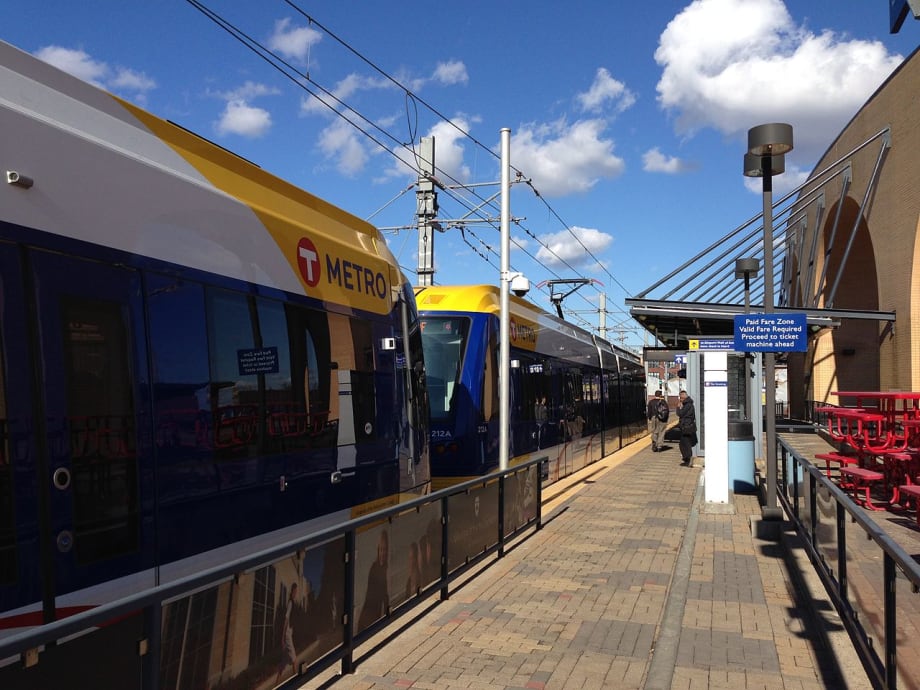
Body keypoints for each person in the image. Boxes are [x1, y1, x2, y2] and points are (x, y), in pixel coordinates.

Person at [275, 582, 298, 683]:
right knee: (294, 659)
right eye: (295, 591)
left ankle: (276, 683)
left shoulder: (292, 602)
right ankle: (297, 681)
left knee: (284, 661)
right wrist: (283, 637)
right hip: (287, 634)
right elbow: (286, 619)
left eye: (296, 591)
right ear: (292, 591)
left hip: (289, 633)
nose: (295, 593)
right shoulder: (290, 603)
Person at [676, 390, 697, 467]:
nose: (680, 400)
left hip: (686, 427)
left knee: (685, 444)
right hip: (686, 427)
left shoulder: (688, 405)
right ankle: (686, 459)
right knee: (684, 443)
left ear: (683, 397)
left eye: (680, 398)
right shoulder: (689, 404)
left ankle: (688, 460)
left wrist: (678, 407)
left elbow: (680, 414)